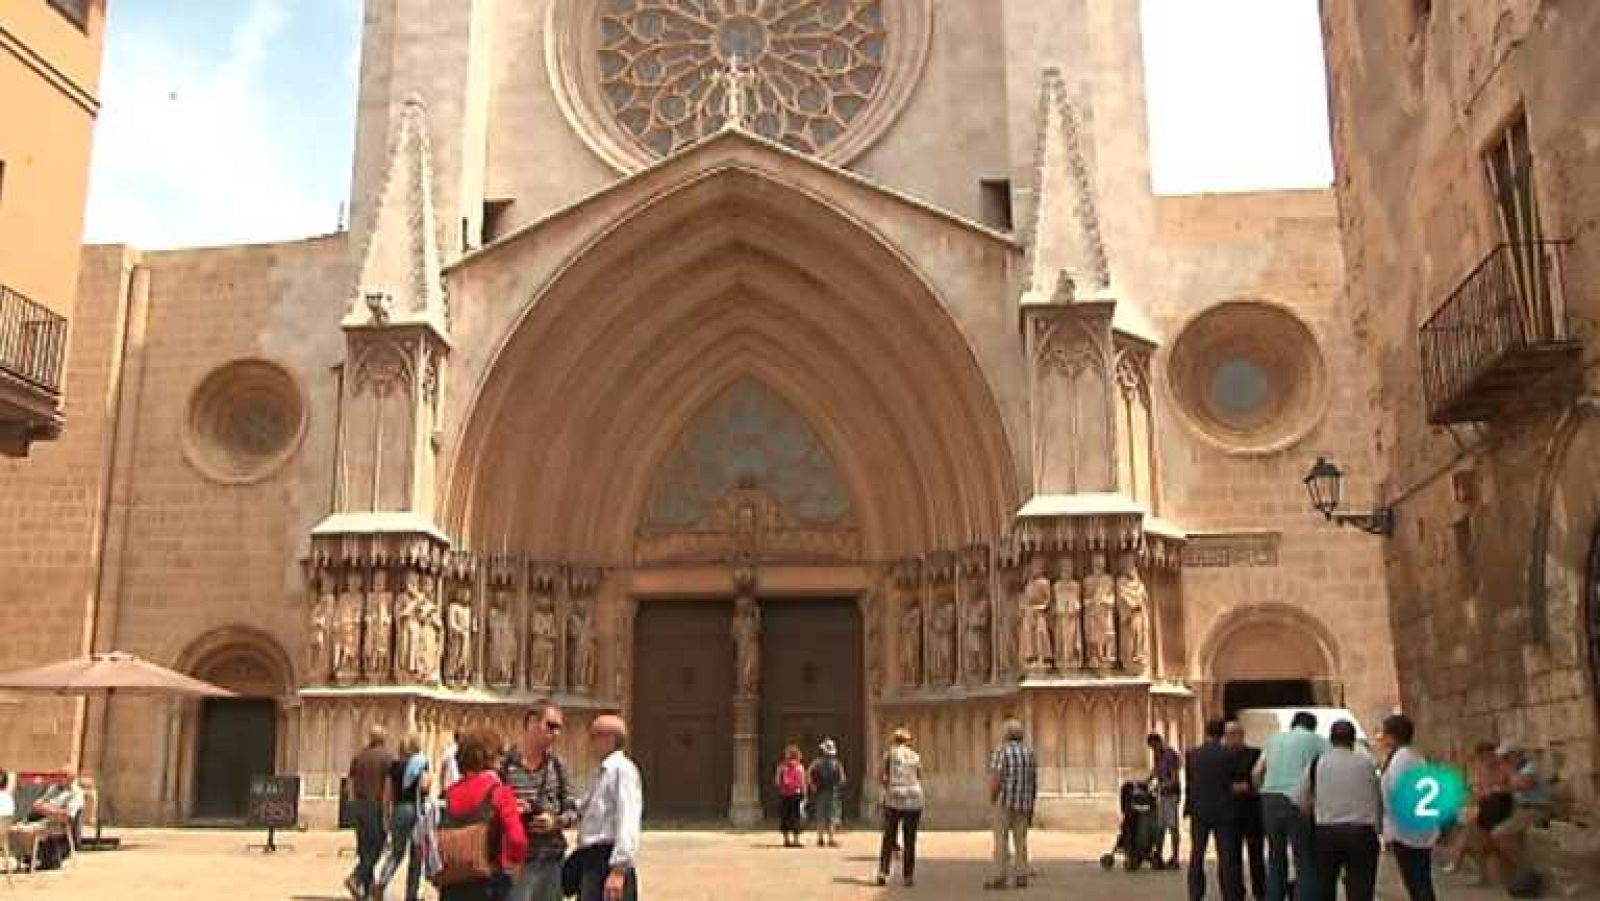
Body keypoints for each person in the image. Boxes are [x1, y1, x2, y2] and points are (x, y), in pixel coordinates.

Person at [1297, 720, 1381, 901]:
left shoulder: (1316, 763)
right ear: (1353, 740)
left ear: (1330, 740)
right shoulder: (1366, 764)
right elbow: (1377, 796)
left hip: (1327, 833)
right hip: (1361, 832)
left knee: (1324, 886)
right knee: (1361, 887)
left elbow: (1301, 799)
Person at [440, 727, 527, 901]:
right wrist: (514, 865)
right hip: (488, 885)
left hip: (452, 884)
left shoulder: (448, 794)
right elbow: (517, 839)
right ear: (491, 757)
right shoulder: (499, 793)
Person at [502, 701, 577, 901]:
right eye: (550, 726)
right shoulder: (505, 765)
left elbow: (573, 811)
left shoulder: (558, 766)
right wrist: (512, 811)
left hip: (551, 861)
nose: (556, 734)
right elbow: (488, 811)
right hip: (517, 863)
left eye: (559, 728)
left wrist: (556, 821)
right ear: (531, 723)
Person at [1254, 711, 1327, 901]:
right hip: (1298, 801)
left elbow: (1257, 772)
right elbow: (1327, 768)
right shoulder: (1317, 741)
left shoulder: (1273, 740)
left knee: (1275, 856)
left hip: (1270, 799)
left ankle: (1273, 896)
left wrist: (1261, 790)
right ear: (1312, 726)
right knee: (1304, 858)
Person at [574, 714, 642, 901]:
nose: (590, 743)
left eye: (594, 736)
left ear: (609, 739)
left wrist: (619, 869)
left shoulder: (622, 770)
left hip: (608, 860)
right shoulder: (604, 772)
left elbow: (628, 818)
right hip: (592, 861)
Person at [1377, 714, 1435, 901]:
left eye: (1384, 733)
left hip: (1408, 831)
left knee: (1417, 881)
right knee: (1419, 881)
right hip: (1412, 828)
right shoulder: (1411, 756)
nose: (1382, 737)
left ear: (1393, 735)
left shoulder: (1402, 759)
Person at [1186, 719, 1244, 901]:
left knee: (1197, 854)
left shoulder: (1193, 754)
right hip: (1224, 810)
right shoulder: (1229, 755)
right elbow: (1235, 781)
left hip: (1199, 809)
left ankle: (1195, 894)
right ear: (1223, 734)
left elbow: (1190, 782)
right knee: (1226, 857)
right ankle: (1230, 894)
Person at [375, 733, 433, 901]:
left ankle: (382, 883)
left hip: (399, 810)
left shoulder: (394, 767)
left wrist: (386, 816)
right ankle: (411, 895)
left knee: (396, 852)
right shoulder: (421, 764)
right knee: (416, 855)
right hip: (415, 811)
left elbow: (387, 794)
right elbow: (424, 786)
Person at [984, 718, 1038, 891]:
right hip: (1023, 802)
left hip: (1005, 801)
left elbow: (996, 777)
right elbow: (1033, 780)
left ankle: (1000, 876)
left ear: (1006, 735)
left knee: (1001, 840)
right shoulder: (1029, 753)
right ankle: (1021, 875)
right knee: (1021, 840)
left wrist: (992, 796)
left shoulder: (1002, 752)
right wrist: (1031, 803)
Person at [1487, 743, 1551, 887]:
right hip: (1520, 810)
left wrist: (1508, 773)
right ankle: (1516, 873)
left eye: (1506, 758)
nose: (1504, 762)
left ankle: (1526, 868)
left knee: (1499, 834)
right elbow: (1500, 785)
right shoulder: (1516, 770)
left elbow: (1522, 785)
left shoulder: (1530, 768)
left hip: (1535, 809)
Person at [346, 727, 395, 901]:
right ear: (384, 739)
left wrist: (352, 803)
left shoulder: (359, 757)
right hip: (376, 805)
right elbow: (388, 787)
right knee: (377, 847)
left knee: (364, 847)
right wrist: (386, 811)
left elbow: (349, 782)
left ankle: (367, 890)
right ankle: (356, 876)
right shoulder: (388, 758)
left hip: (360, 805)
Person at [1224, 721, 1266, 901]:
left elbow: (1262, 776)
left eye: (1236, 734)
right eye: (1229, 735)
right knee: (1232, 857)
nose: (1232, 738)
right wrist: (1229, 788)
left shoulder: (1255, 753)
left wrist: (1249, 787)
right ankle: (1236, 893)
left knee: (1256, 854)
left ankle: (1260, 890)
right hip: (1230, 812)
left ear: (1242, 736)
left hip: (1252, 811)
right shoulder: (1221, 757)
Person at [877, 726, 924, 887]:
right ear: (908, 741)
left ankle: (883, 872)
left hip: (894, 798)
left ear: (894, 740)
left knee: (889, 837)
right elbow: (919, 776)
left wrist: (888, 788)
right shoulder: (915, 756)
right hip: (914, 798)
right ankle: (908, 876)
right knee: (910, 839)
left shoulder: (889, 754)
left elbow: (882, 776)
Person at [25, 776, 83, 870]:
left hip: (62, 825)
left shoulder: (76, 793)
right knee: (21, 827)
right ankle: (29, 855)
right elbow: (36, 804)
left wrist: (47, 809)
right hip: (47, 819)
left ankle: (46, 858)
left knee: (35, 828)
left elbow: (67, 815)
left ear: (71, 779)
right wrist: (52, 811)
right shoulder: (54, 788)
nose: (58, 778)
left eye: (62, 776)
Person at [1148, 732, 1183, 868]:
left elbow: (1174, 779)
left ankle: (1175, 857)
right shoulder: (1158, 755)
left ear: (1158, 742)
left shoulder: (1170, 754)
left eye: (1153, 746)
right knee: (1160, 826)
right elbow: (1156, 771)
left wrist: (1161, 786)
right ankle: (1159, 855)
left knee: (1172, 826)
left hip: (1171, 794)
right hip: (1162, 794)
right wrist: (1147, 781)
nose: (1153, 750)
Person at [807, 739, 846, 848]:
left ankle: (820, 839)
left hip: (820, 792)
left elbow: (808, 773)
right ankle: (831, 839)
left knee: (820, 815)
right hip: (833, 792)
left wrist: (812, 786)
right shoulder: (837, 763)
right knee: (832, 816)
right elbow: (842, 778)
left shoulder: (817, 762)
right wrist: (838, 786)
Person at [774, 745, 808, 848]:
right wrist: (805, 794)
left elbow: (777, 781)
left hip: (784, 794)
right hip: (796, 795)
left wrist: (781, 789)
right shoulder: (800, 767)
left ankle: (786, 840)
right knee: (796, 817)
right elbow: (802, 782)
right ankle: (796, 840)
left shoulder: (781, 766)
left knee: (785, 816)